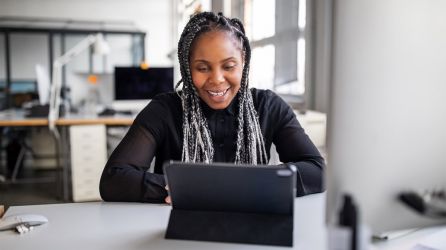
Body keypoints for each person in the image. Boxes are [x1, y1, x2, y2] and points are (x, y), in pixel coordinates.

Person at [99, 12, 325, 203]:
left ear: (243, 61)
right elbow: (113, 180)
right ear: (188, 67)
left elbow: (317, 170)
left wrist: (255, 182)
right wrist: (180, 187)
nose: (217, 79)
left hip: (250, 223)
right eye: (202, 67)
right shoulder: (164, 111)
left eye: (228, 66)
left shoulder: (268, 106)